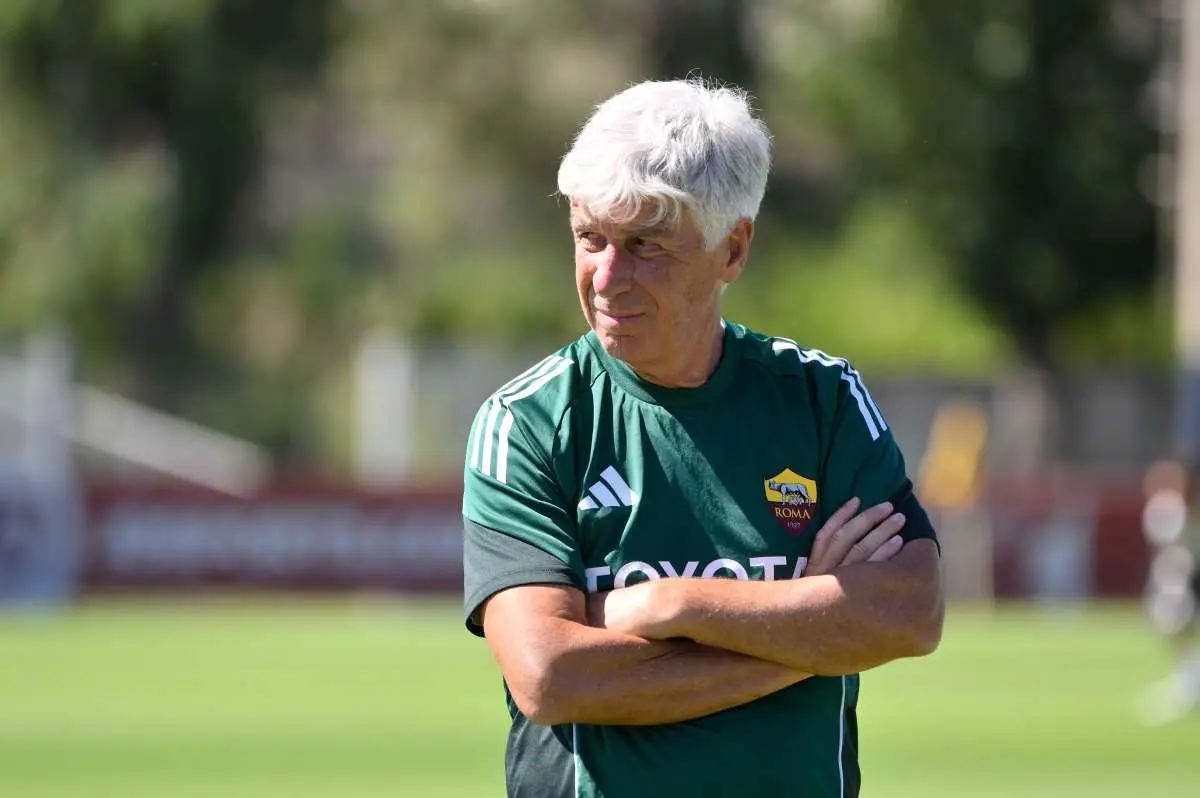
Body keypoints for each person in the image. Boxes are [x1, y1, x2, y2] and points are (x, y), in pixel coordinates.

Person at [461, 77, 944, 798]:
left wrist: (677, 605)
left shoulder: (822, 400)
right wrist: (812, 631)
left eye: (646, 245)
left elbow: (910, 612)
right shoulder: (529, 421)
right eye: (590, 238)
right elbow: (551, 675)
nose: (607, 278)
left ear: (733, 249)